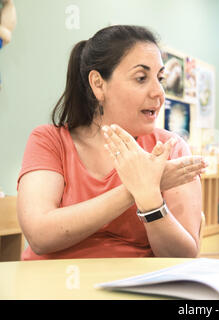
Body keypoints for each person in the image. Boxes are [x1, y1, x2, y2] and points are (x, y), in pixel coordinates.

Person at [17, 25, 207, 260]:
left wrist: (150, 201)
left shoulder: (171, 148)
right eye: (141, 78)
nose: (159, 92)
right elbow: (40, 236)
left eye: (160, 79)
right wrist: (139, 189)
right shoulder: (49, 140)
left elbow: (183, 256)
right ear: (98, 84)